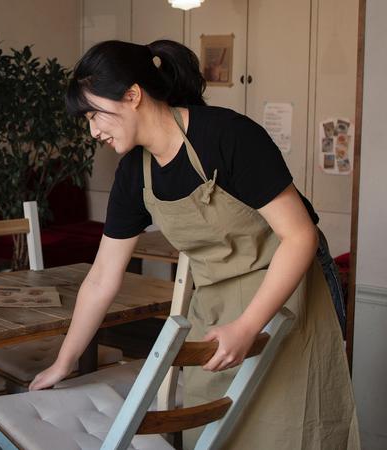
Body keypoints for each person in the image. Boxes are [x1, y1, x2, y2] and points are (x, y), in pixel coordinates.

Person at [29, 40, 359, 449]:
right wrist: (64, 362)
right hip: (217, 300)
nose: (93, 130)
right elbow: (101, 278)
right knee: (215, 427)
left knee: (292, 424)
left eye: (95, 114)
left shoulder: (228, 135)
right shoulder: (135, 173)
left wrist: (247, 325)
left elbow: (299, 236)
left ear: (132, 95)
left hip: (290, 290)